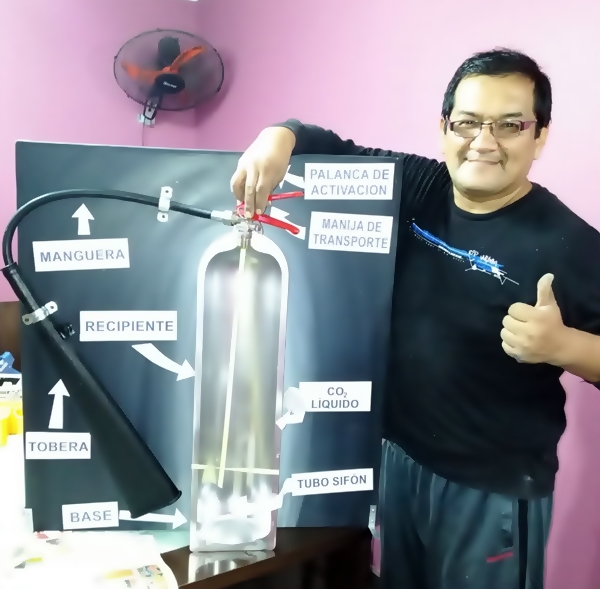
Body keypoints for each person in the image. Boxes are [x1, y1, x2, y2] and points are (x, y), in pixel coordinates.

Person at [230, 48, 600, 589]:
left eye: (510, 125)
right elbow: (327, 147)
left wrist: (564, 346)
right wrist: (277, 135)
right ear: (444, 127)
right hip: (399, 460)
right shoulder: (417, 184)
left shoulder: (570, 243)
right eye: (468, 122)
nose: (484, 142)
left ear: (539, 135)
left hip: (491, 486)